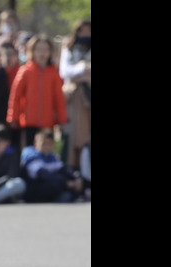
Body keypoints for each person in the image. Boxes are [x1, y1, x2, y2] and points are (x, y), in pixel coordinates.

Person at [6, 33, 67, 152]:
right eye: (38, 49)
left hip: (47, 122)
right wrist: (13, 116)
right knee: (28, 152)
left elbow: (58, 98)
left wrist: (61, 119)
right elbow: (15, 96)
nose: (42, 53)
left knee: (46, 151)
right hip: (28, 121)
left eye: (45, 50)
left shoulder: (53, 73)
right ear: (32, 51)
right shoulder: (25, 71)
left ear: (50, 52)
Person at [59, 19, 91, 173]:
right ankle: (74, 173)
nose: (86, 34)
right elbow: (65, 71)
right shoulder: (70, 48)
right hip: (75, 96)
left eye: (88, 31)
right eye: (82, 31)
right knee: (75, 137)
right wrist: (82, 68)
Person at [20, 128, 83, 203]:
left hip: (53, 183)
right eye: (44, 144)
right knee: (54, 184)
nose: (47, 147)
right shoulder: (29, 153)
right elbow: (43, 174)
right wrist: (66, 183)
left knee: (80, 181)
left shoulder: (52, 156)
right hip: (34, 187)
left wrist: (77, 178)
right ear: (35, 143)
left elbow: (64, 169)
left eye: (49, 144)